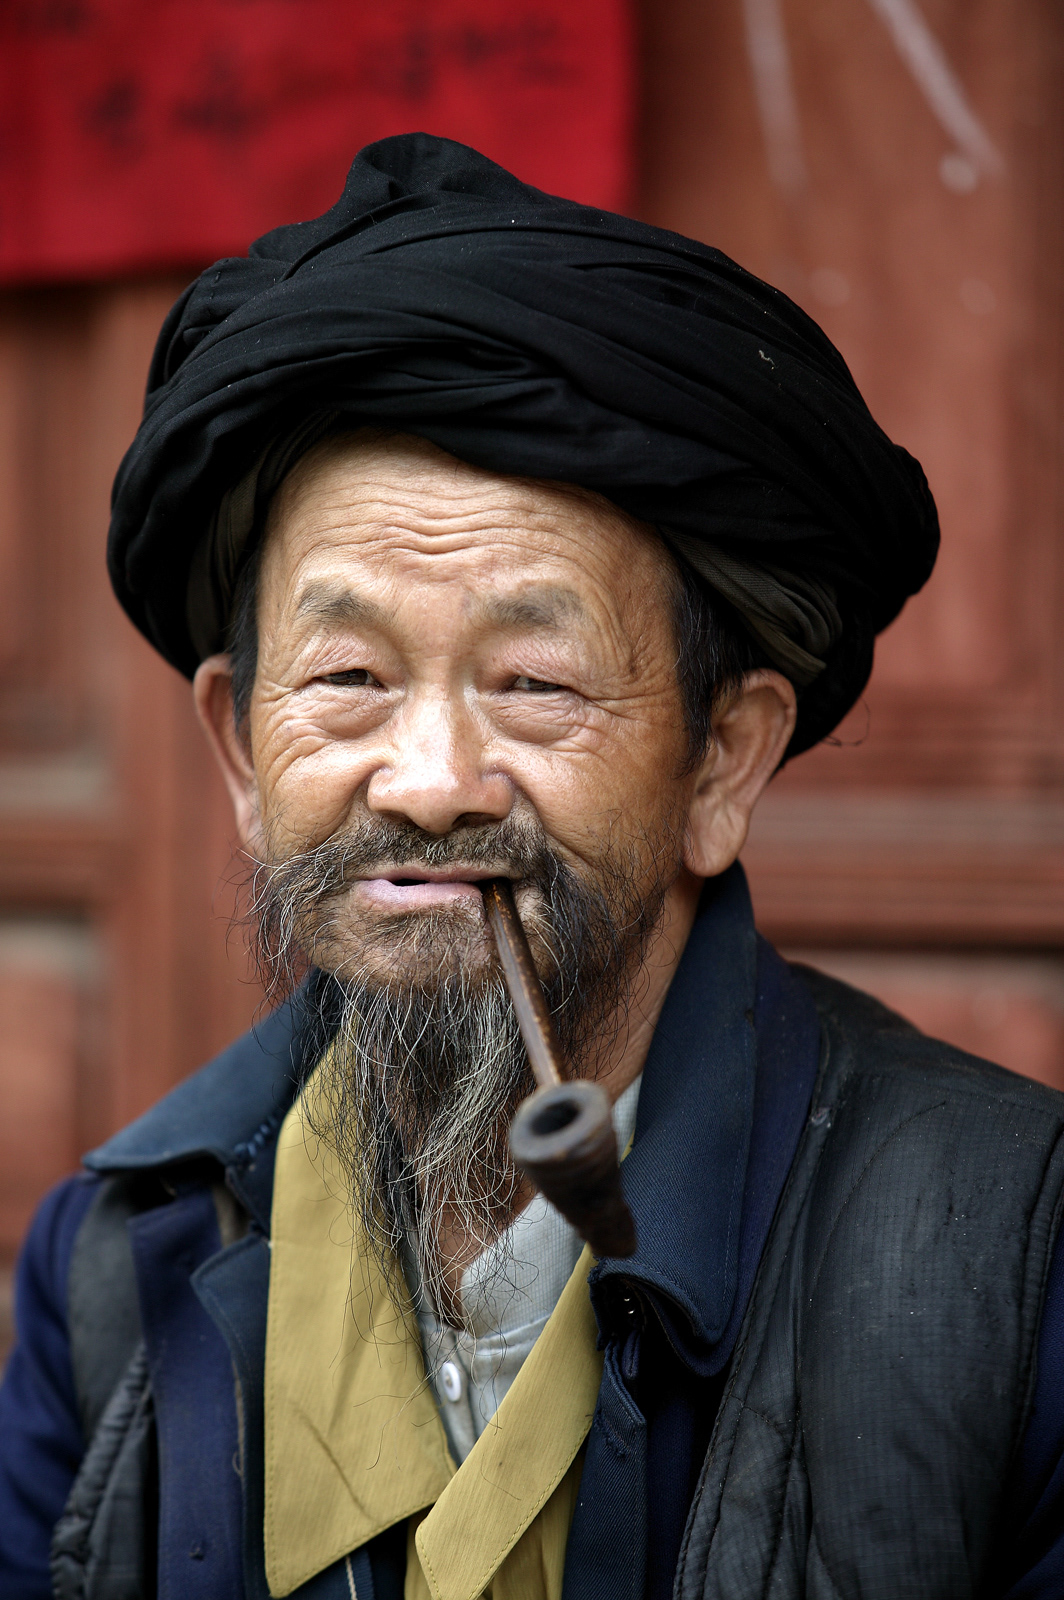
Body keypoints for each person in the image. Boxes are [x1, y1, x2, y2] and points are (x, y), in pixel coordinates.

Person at [2, 133, 1062, 1600]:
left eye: (538, 684)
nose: (430, 785)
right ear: (242, 758)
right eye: (352, 675)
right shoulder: (116, 1266)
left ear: (721, 765)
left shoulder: (1014, 1258)